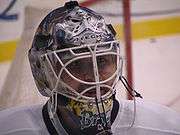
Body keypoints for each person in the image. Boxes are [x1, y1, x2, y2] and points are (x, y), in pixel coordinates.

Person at [0, 1, 180, 135]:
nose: (93, 76)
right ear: (44, 72)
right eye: (76, 64)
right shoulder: (9, 129)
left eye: (101, 61)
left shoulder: (165, 127)